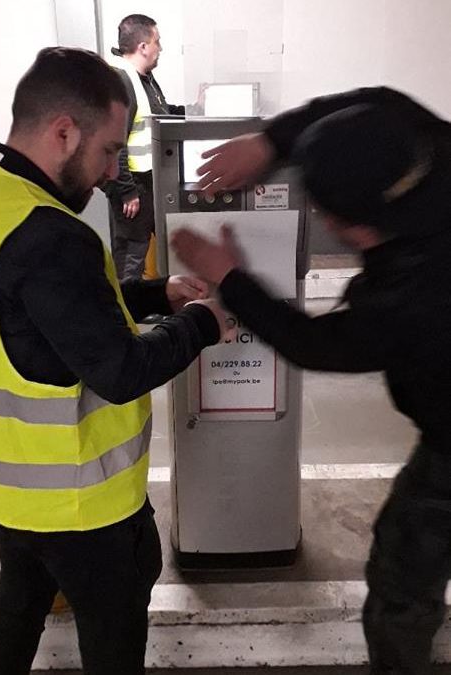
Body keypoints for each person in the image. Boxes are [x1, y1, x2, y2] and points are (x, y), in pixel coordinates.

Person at [171, 86, 451, 675]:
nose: (321, 222)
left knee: (403, 580)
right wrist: (270, 140)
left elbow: (318, 345)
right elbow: (374, 102)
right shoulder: (422, 141)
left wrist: (230, 278)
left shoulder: (417, 298)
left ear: (373, 224)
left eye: (333, 219)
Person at [0, 47, 230, 675]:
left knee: (17, 605)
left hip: (13, 493)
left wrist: (154, 293)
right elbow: (118, 371)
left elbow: (39, 315)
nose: (110, 170)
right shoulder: (51, 235)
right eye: (107, 150)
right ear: (63, 131)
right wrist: (203, 322)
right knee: (113, 640)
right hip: (82, 504)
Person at [106, 13, 185, 284]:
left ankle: (151, 304)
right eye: (157, 42)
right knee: (132, 255)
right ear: (143, 47)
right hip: (133, 188)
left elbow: (159, 114)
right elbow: (113, 142)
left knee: (154, 247)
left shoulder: (144, 79)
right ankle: (129, 313)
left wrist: (194, 110)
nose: (160, 48)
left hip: (150, 183)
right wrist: (126, 191)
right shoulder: (121, 82)